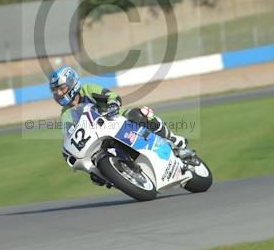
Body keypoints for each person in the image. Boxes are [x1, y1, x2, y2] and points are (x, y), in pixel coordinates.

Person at [51, 66, 189, 185]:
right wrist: (68, 150)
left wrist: (113, 103)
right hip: (99, 137)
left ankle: (172, 139)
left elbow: (111, 95)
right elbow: (69, 134)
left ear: (72, 83)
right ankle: (115, 174)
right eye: (55, 90)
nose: (58, 93)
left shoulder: (88, 89)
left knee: (141, 114)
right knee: (94, 170)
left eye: (61, 88)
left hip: (117, 119)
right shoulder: (65, 113)